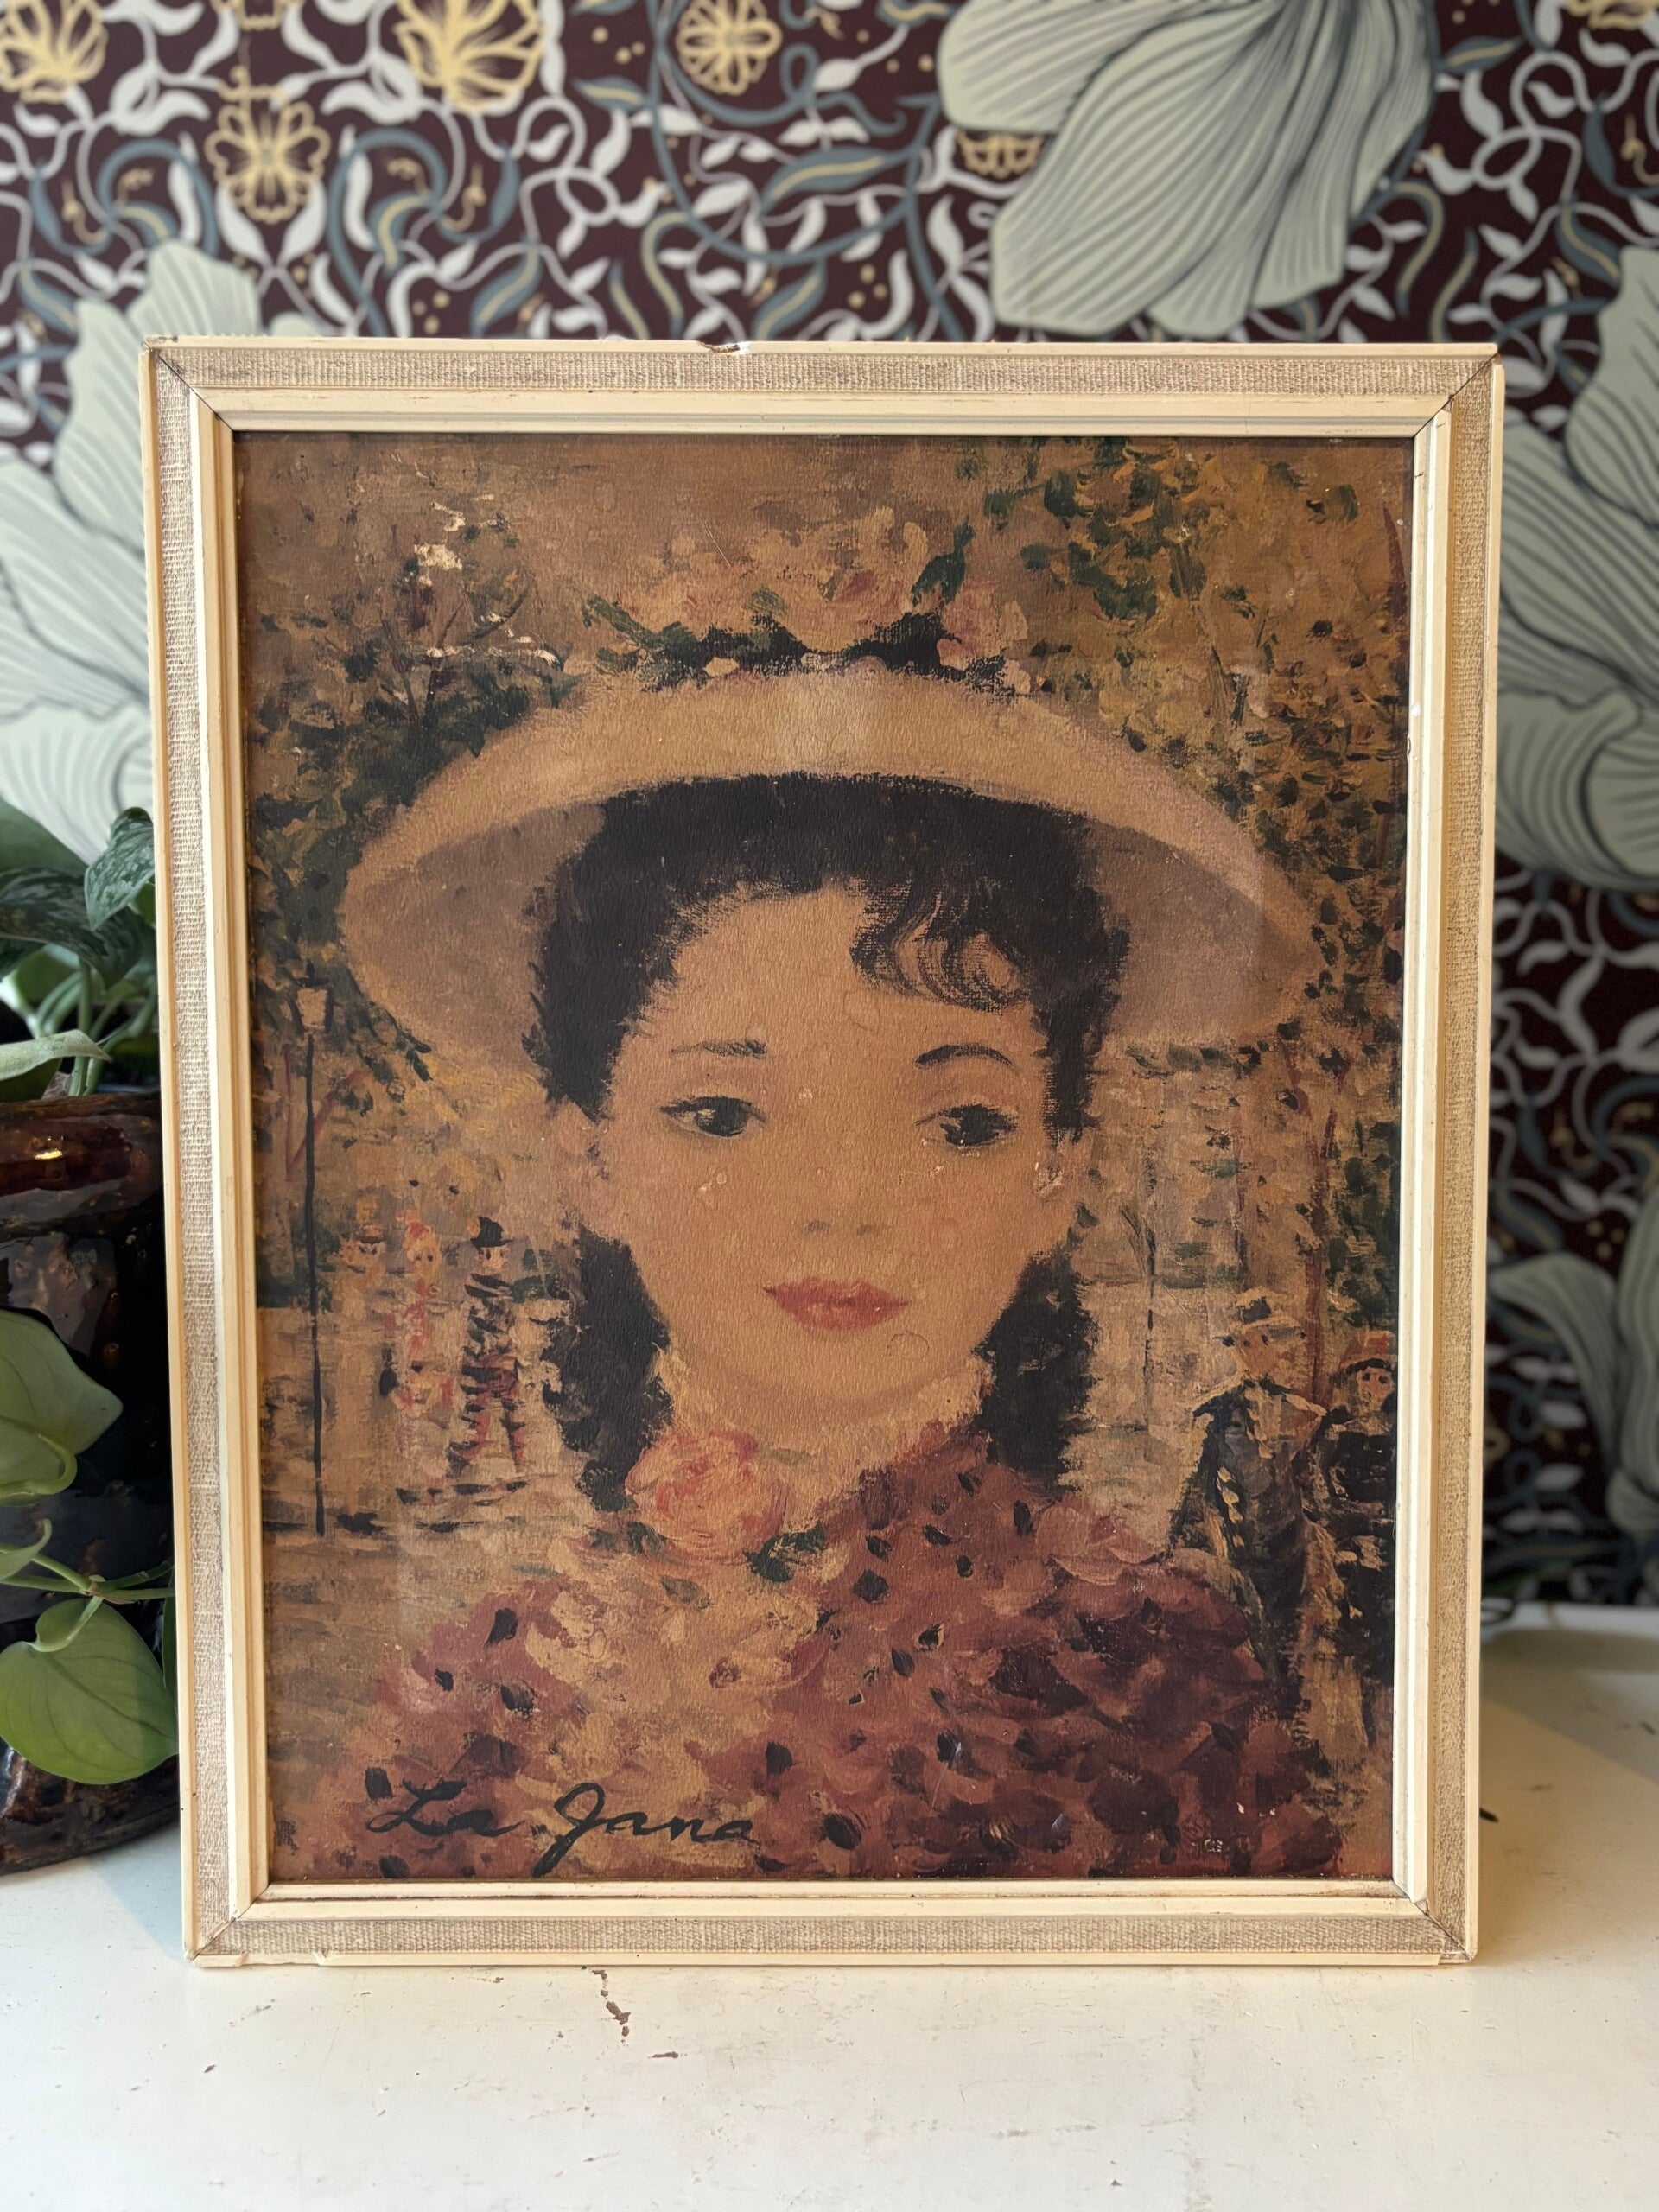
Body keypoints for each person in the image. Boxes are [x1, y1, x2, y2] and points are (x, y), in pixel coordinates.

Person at [305, 668, 1355, 1883]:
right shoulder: (483, 1691)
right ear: (588, 1159)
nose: (845, 1205)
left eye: (959, 1123)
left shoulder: (1146, 1676)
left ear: (1059, 1171)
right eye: (721, 1112)